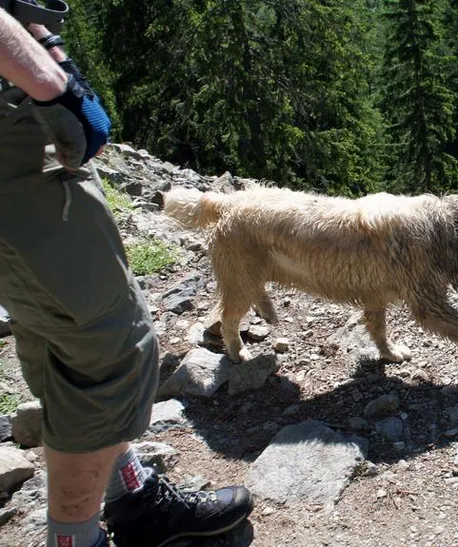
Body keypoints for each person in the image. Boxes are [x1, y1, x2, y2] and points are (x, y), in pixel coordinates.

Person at [0, 4, 254, 547]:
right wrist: (51, 82)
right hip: (12, 145)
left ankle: (131, 499)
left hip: (21, 126)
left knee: (62, 335)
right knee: (104, 351)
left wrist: (48, 54)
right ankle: (76, 539)